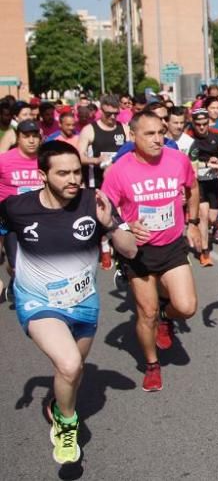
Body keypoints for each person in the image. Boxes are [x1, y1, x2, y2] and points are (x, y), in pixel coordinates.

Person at [1, 141, 136, 464]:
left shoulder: (95, 201)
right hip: (38, 300)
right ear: (42, 176)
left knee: (72, 371)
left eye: (77, 172)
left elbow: (130, 251)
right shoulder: (17, 206)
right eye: (63, 173)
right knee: (70, 364)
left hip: (83, 302)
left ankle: (56, 403)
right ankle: (66, 421)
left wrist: (110, 224)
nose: (73, 179)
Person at [101, 110, 202, 392]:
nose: (158, 139)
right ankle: (152, 364)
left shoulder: (178, 160)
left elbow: (192, 187)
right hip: (139, 252)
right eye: (150, 134)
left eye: (161, 132)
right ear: (133, 136)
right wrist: (124, 225)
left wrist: (193, 222)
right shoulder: (119, 170)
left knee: (186, 306)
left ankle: (166, 318)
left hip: (171, 246)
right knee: (146, 313)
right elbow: (105, 210)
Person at [0, 120, 44, 298]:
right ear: (18, 138)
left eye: (35, 136)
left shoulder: (45, 159)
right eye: (26, 136)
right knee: (15, 263)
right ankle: (16, 276)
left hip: (41, 218)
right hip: (10, 220)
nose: (31, 140)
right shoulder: (4, 160)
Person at [187, 108, 218, 267]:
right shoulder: (189, 138)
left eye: (204, 124)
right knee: (203, 215)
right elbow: (188, 162)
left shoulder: (217, 135)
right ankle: (205, 252)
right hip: (198, 184)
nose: (201, 127)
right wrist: (207, 164)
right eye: (198, 124)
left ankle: (212, 228)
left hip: (214, 182)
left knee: (212, 218)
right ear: (193, 123)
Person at [77, 95, 129, 189]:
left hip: (119, 183)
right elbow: (79, 157)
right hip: (96, 184)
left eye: (116, 113)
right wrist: (97, 160)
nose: (113, 117)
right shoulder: (89, 130)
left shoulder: (125, 129)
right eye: (108, 114)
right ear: (101, 111)